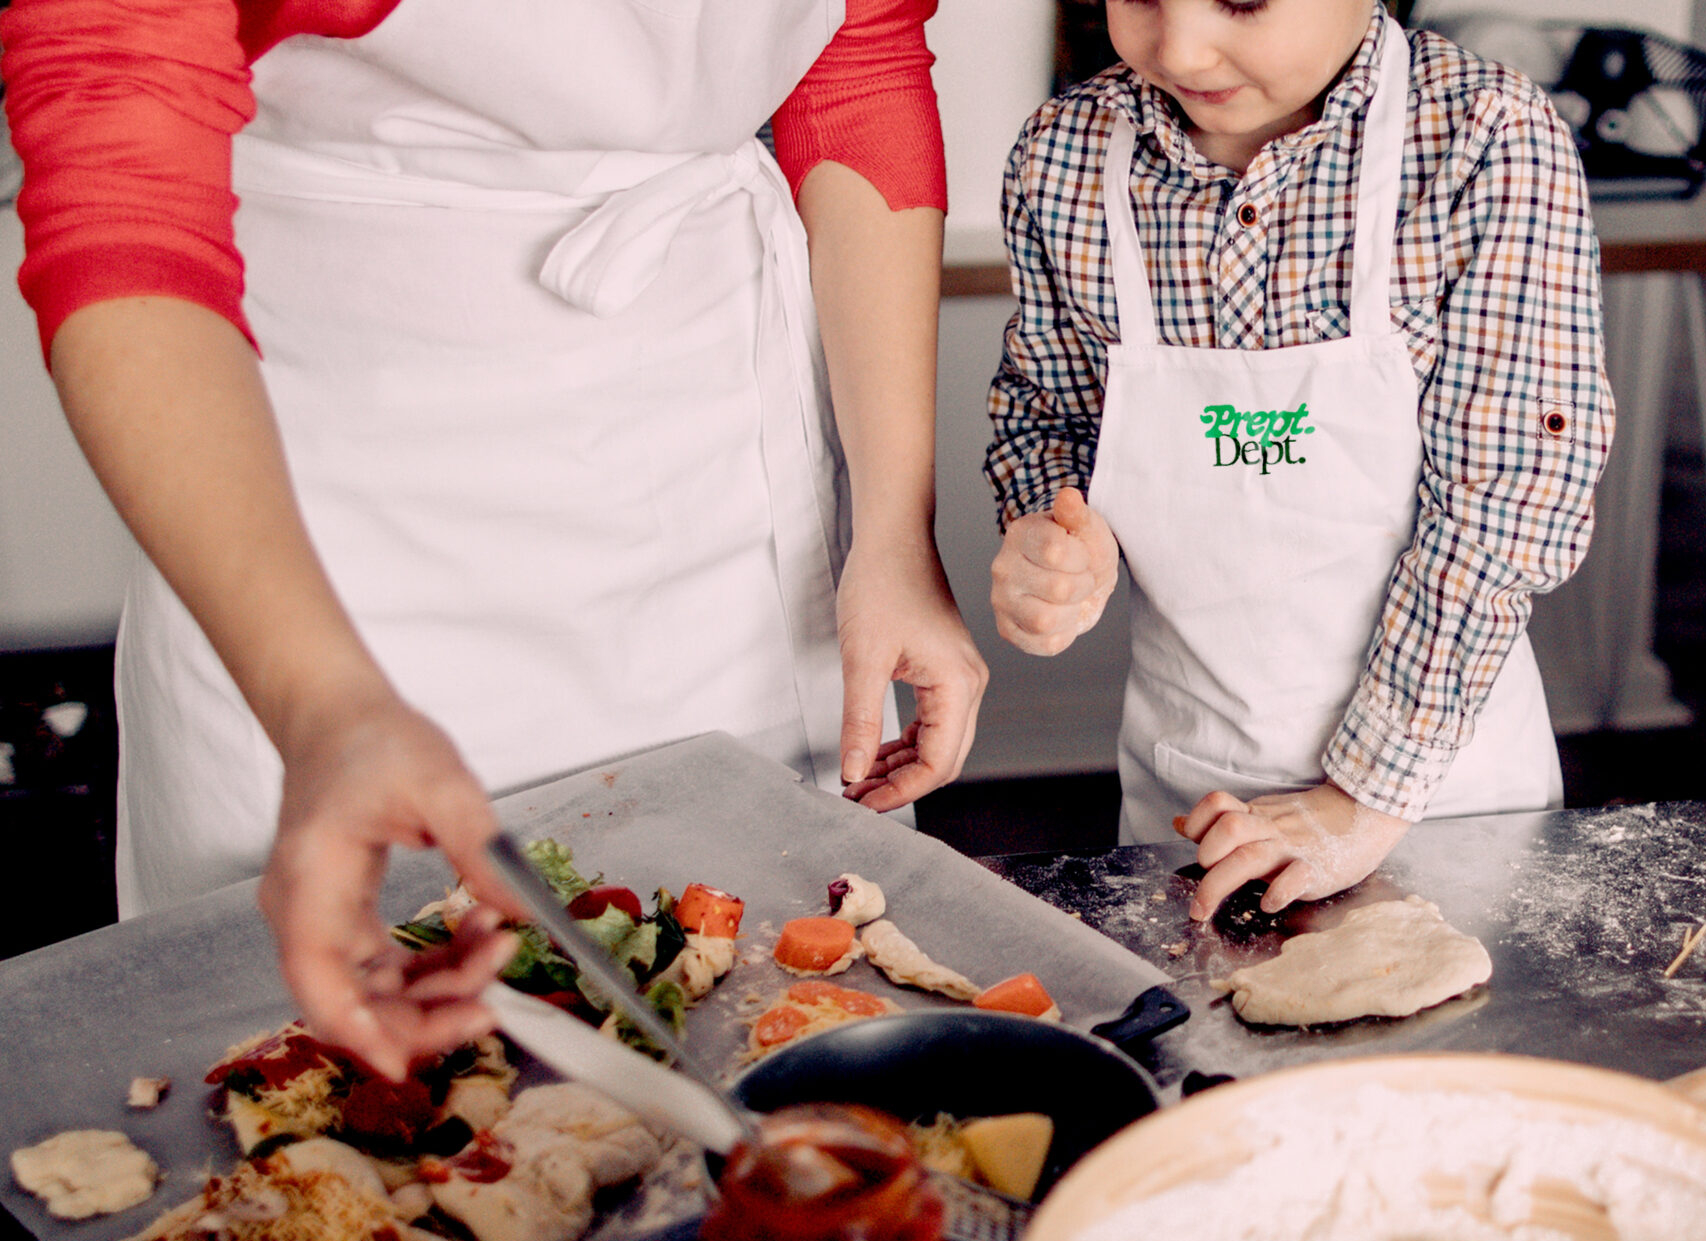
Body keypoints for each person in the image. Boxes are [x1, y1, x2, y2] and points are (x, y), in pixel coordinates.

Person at [3, 0, 989, 1075]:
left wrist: (894, 529)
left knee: (779, 1020)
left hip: (712, 434)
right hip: (316, 490)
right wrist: (323, 708)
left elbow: (856, 61)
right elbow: (124, 211)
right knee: (324, 1088)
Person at [984, 0, 1612, 920]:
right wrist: (1052, 534)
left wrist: (1362, 799)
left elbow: (1508, 501)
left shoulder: (1483, 136)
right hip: (1189, 794)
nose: (1182, 49)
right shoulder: (1066, 154)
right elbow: (1050, 414)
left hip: (1440, 797)